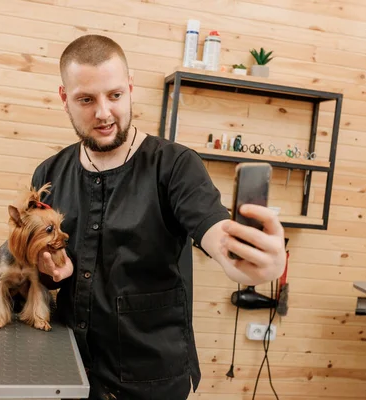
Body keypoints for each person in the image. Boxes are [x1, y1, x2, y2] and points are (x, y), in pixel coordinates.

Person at [32, 34, 286, 400]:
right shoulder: (48, 175)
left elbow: (213, 228)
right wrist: (47, 268)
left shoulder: (176, 165)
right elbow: (41, 266)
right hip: (69, 369)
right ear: (64, 99)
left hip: (151, 381)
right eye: (86, 99)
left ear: (131, 89)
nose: (103, 112)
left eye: (115, 95)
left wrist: (249, 262)